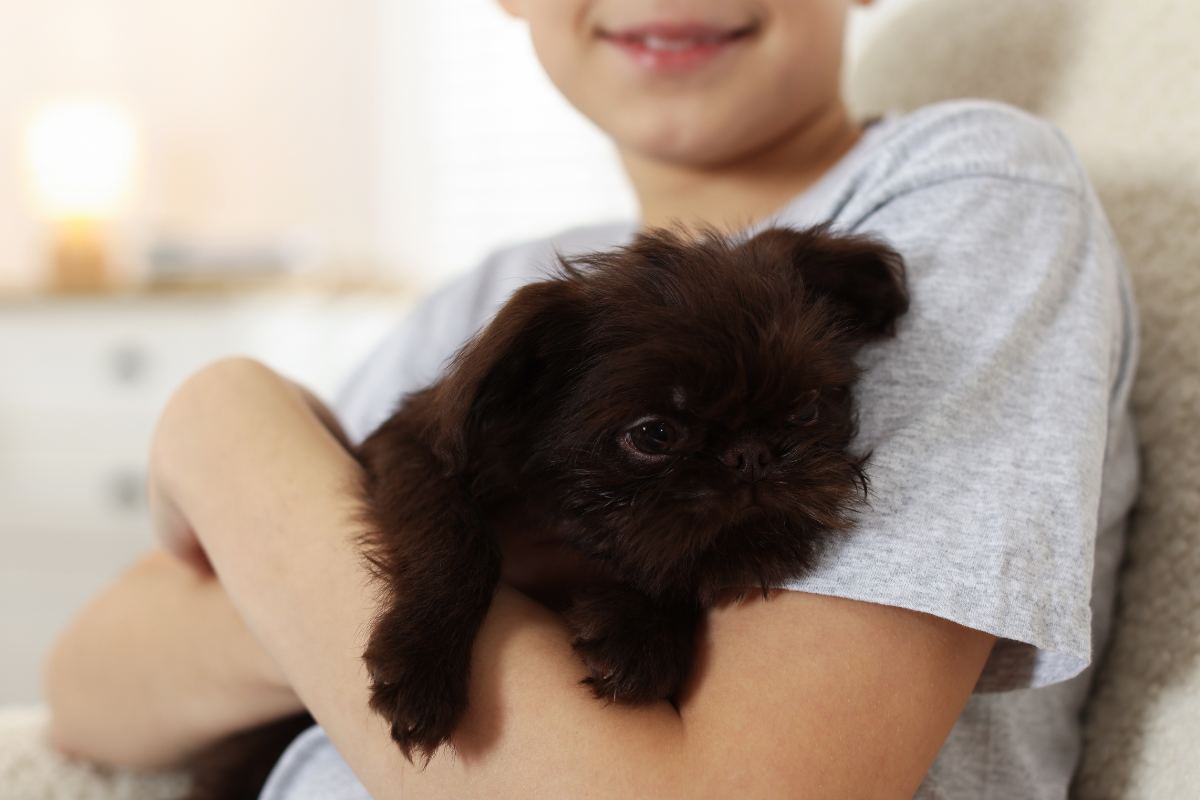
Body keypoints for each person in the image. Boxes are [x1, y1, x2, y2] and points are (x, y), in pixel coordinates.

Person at [43, 0, 1140, 797]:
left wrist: (232, 439)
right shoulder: (494, 299)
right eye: (661, 433)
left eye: (796, 421)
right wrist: (428, 573)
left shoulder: (959, 193)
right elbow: (93, 685)